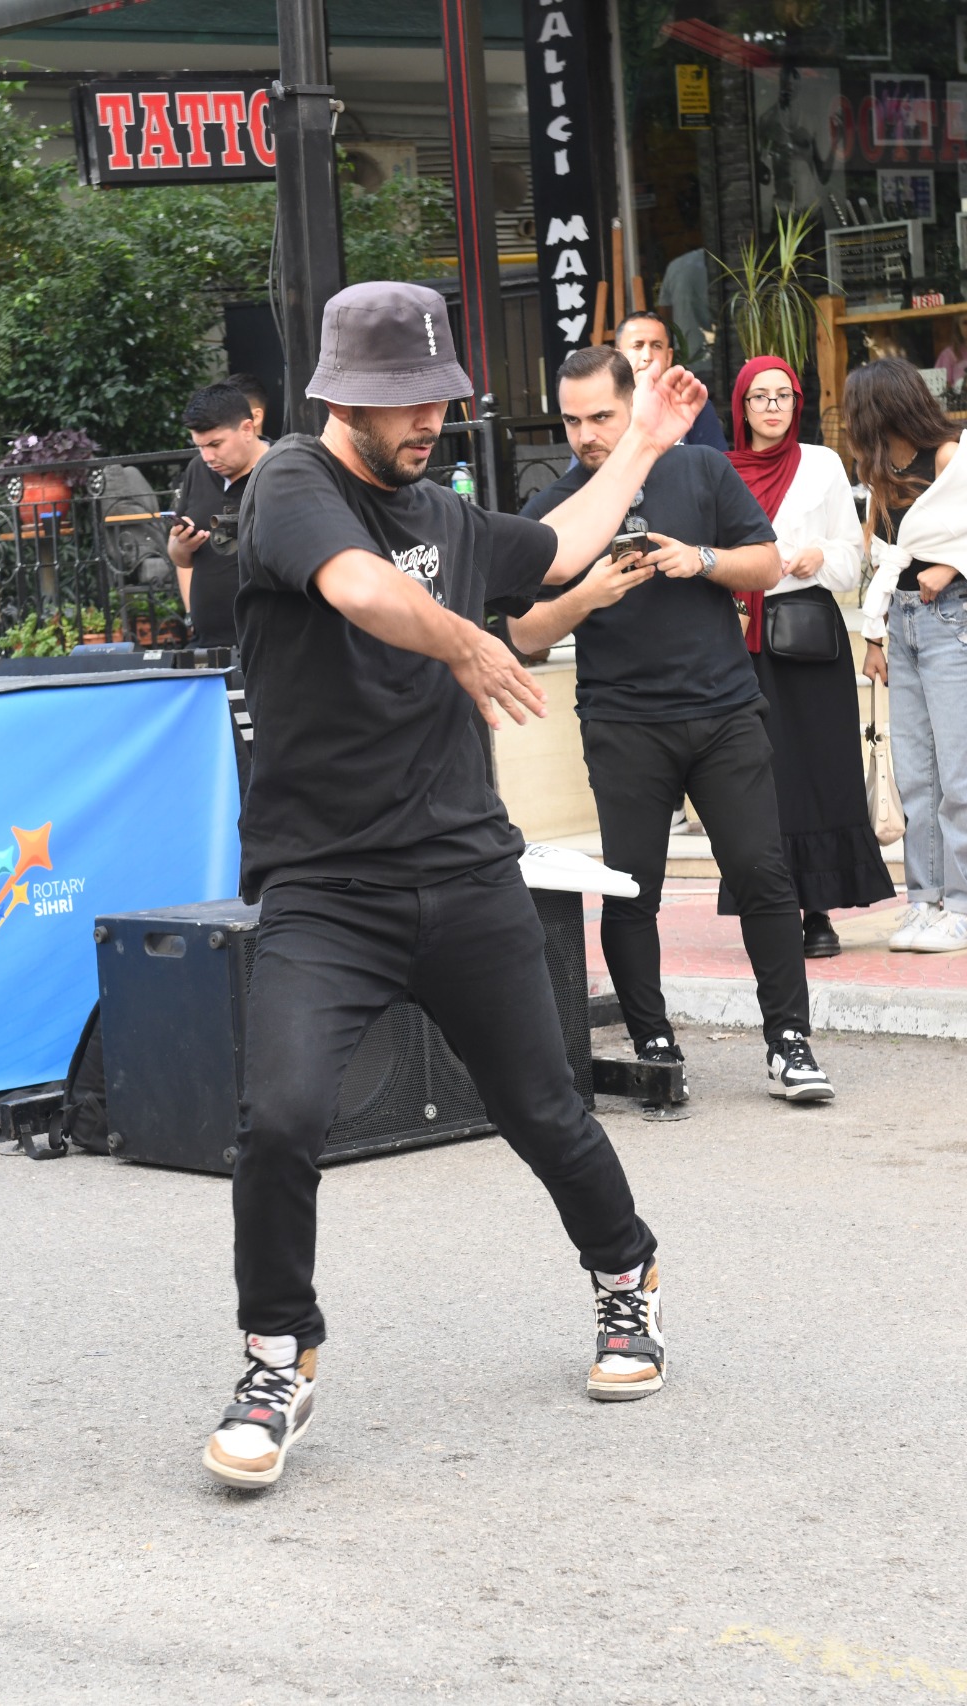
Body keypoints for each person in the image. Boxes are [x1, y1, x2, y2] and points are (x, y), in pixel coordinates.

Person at [210, 282, 707, 1490]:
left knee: (544, 1107)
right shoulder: (291, 482)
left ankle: (625, 1275)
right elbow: (358, 588)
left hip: (465, 868)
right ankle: (277, 1354)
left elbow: (560, 548)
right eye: (403, 401)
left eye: (438, 395)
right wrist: (469, 635)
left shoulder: (447, 510)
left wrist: (640, 445)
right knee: (280, 1118)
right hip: (328, 886)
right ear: (343, 398)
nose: (429, 417)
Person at [503, 346, 832, 1098]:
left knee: (762, 873)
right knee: (631, 888)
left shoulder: (700, 469)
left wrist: (702, 559)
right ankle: (653, 1039)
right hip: (623, 721)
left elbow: (767, 563)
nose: (586, 435)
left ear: (635, 407)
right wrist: (586, 596)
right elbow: (523, 633)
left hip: (724, 709)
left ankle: (790, 1042)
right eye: (572, 421)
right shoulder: (555, 508)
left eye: (601, 417)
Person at [726, 353, 893, 956]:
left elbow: (852, 560)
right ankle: (770, 906)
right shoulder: (721, 472)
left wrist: (819, 556)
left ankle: (818, 911)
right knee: (760, 777)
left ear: (797, 403)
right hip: (742, 640)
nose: (772, 407)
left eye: (783, 395)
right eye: (760, 397)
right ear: (742, 407)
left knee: (821, 769)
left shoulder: (820, 464)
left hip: (810, 638)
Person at [850, 359, 967, 953]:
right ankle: (926, 899)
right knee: (917, 775)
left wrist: (948, 565)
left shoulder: (948, 455)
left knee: (962, 775)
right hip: (903, 619)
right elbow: (880, 550)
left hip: (954, 618)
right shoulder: (878, 466)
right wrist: (873, 638)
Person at [166, 377, 269, 651]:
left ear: (247, 429)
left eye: (215, 444)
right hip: (207, 644)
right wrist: (181, 545)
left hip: (269, 645)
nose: (207, 456)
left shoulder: (283, 469)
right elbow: (179, 557)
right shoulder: (197, 470)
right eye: (200, 446)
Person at [616, 311, 729, 450]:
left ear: (669, 357)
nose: (647, 356)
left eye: (656, 346)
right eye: (637, 346)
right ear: (619, 357)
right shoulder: (603, 410)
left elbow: (716, 462)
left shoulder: (692, 405)